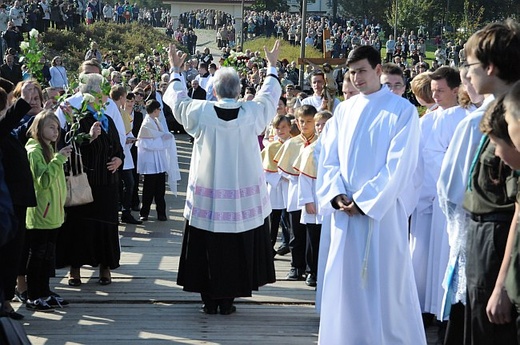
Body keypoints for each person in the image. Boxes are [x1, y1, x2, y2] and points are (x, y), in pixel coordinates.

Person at [316, 45, 426, 344]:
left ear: (378, 70)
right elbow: (328, 158)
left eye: (362, 70)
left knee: (386, 285)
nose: (357, 78)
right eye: (352, 72)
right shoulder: (344, 109)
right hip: (345, 216)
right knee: (346, 284)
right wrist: (337, 194)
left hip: (381, 214)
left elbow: (399, 165)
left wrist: (364, 201)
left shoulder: (402, 111)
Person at [163, 40, 281, 315]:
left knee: (207, 244)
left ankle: (209, 299)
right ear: (239, 91)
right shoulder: (251, 113)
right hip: (240, 196)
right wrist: (272, 67)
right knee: (236, 244)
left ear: (213, 90)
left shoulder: (200, 111)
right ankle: (228, 300)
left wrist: (175, 70)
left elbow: (176, 99)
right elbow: (269, 96)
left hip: (209, 193)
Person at [55, 73, 123, 287]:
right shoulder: (77, 120)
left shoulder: (108, 119)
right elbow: (68, 148)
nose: (105, 97)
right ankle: (75, 269)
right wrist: (89, 138)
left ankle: (105, 267)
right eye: (101, 93)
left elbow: (118, 147)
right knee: (78, 226)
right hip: (85, 181)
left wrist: (119, 159)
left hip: (107, 183)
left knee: (106, 226)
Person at [24, 110, 72, 312]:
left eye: (57, 128)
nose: (55, 132)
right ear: (39, 128)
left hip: (54, 212)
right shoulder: (35, 150)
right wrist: (58, 160)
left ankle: (44, 291)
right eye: (51, 127)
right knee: (38, 254)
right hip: (41, 213)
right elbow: (42, 181)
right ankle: (33, 294)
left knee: (47, 255)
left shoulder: (50, 148)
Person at [274, 104, 318, 283]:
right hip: (295, 192)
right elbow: (282, 170)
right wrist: (296, 176)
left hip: (314, 195)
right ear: (297, 123)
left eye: (309, 122)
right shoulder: (292, 143)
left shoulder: (319, 144)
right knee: (296, 233)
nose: (306, 125)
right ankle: (296, 266)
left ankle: (312, 269)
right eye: (302, 122)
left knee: (312, 233)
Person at [294, 110, 332, 287]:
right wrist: (308, 200)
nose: (321, 128)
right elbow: (304, 178)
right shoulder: (310, 150)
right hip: (314, 201)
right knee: (313, 237)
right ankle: (312, 271)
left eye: (325, 124)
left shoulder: (337, 147)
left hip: (331, 201)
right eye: (318, 124)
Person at [136, 99, 180, 222]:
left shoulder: (155, 121)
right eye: (159, 109)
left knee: (160, 190)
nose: (160, 111)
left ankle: (161, 213)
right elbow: (146, 143)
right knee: (149, 189)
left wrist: (165, 138)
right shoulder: (146, 124)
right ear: (155, 110)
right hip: (150, 162)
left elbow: (158, 136)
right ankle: (144, 212)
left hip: (159, 162)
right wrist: (162, 141)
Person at [261, 114, 291, 256]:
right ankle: (269, 247)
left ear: (290, 127)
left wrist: (288, 175)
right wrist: (280, 176)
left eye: (284, 127)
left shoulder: (294, 144)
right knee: (273, 220)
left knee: (289, 219)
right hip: (275, 188)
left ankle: (289, 244)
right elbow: (265, 170)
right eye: (278, 128)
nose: (281, 130)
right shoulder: (271, 147)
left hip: (290, 187)